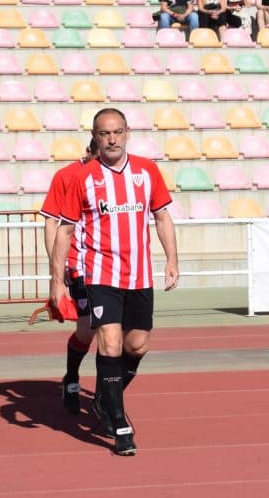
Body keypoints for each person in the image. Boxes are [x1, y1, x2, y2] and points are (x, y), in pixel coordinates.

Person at [47, 108, 179, 456]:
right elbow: (64, 230)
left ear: (127, 133)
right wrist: (56, 280)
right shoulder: (82, 178)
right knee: (109, 341)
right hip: (100, 275)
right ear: (95, 136)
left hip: (138, 275)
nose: (112, 139)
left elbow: (162, 216)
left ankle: (105, 399)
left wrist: (172, 260)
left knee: (137, 346)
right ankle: (119, 423)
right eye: (105, 134)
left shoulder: (147, 171)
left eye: (117, 132)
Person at [40, 139, 99, 413]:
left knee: (116, 334)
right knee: (87, 330)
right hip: (80, 265)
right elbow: (51, 220)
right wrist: (56, 265)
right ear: (88, 152)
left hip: (111, 267)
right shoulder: (66, 176)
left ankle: (106, 393)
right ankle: (72, 376)